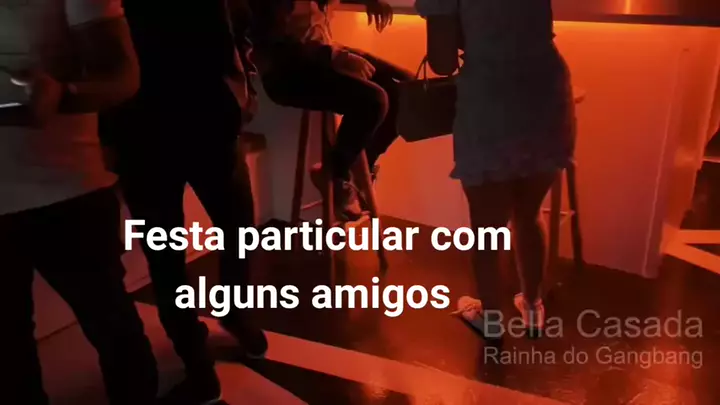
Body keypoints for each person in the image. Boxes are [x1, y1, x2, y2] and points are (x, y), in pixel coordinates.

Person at [101, 0, 267, 403]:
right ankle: (213, 340)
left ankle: (202, 357)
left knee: (175, 255)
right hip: (175, 121)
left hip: (165, 123)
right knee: (215, 237)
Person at [0, 0, 158, 403]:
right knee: (7, 354)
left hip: (67, 192)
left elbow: (122, 74)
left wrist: (63, 94)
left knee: (113, 331)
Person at [415, 0, 576, 338]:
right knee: (529, 212)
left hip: (491, 98)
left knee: (488, 228)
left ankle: (491, 321)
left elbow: (442, 60)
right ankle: (532, 306)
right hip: (546, 91)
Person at [247, 0, 412, 221]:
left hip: (320, 53)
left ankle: (355, 170)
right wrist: (335, 57)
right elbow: (276, 45)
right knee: (374, 100)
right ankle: (336, 174)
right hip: (286, 71)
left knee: (404, 87)